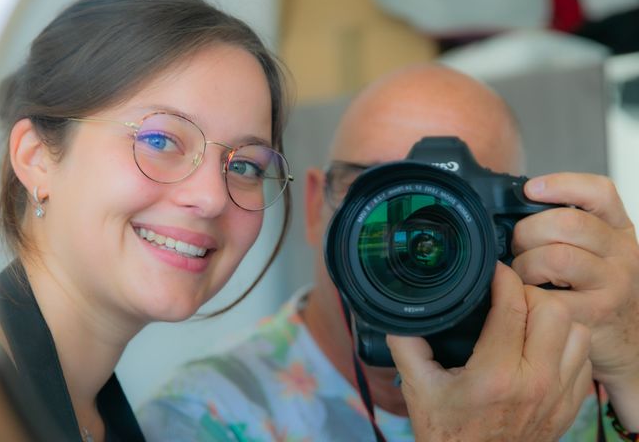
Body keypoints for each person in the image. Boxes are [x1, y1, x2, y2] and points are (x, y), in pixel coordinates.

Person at [139, 64, 639, 441]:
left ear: (518, 222)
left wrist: (633, 374)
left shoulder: (568, 368)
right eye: (380, 190)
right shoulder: (202, 417)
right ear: (316, 206)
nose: (417, 226)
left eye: (453, 202)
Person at [0, 0, 293, 442]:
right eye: (160, 141)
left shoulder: (97, 417)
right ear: (36, 157)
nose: (212, 197)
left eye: (245, 166)